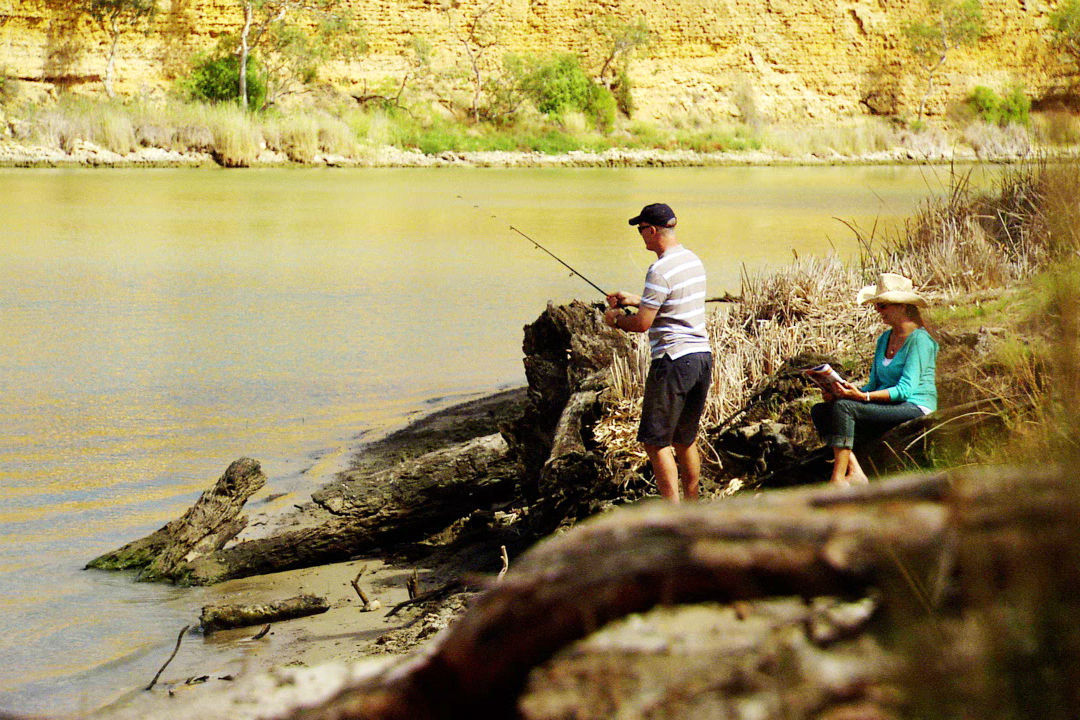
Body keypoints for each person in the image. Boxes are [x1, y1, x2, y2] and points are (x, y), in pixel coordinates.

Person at [603, 203, 712, 502]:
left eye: (641, 230)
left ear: (652, 230)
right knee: (685, 439)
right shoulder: (692, 260)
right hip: (701, 358)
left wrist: (615, 321)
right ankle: (692, 505)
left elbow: (642, 325)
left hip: (673, 361)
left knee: (655, 441)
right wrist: (635, 298)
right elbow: (672, 302)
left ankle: (671, 513)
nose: (641, 236)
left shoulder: (659, 269)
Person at [811, 272, 939, 486]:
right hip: (891, 403)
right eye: (877, 305)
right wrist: (844, 391)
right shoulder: (884, 339)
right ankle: (856, 471)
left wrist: (863, 397)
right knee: (822, 409)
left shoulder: (920, 340)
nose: (877, 311)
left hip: (915, 405)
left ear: (903, 306)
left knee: (844, 408)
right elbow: (873, 384)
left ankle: (838, 478)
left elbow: (905, 390)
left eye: (883, 305)